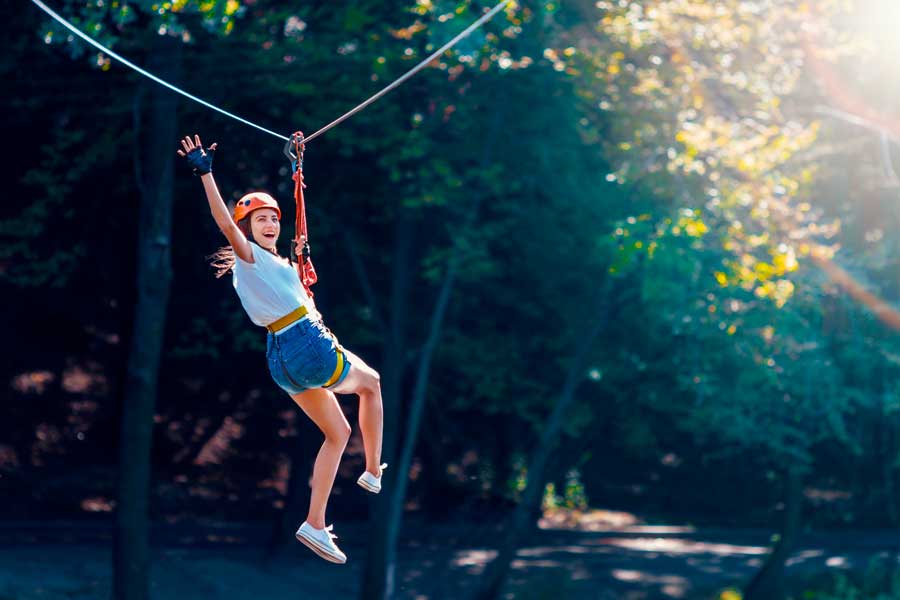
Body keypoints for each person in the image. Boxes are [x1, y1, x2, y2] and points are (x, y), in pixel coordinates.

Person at [177, 134, 386, 564]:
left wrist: (297, 168)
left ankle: (314, 524)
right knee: (373, 384)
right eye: (260, 221)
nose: (270, 224)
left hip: (281, 359)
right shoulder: (249, 257)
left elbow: (297, 281)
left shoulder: (282, 265)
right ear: (249, 230)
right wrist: (206, 174)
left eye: (273, 217)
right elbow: (223, 221)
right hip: (304, 344)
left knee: (338, 432)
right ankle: (371, 472)